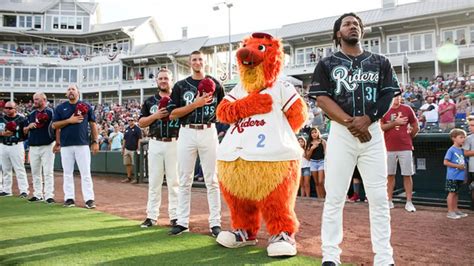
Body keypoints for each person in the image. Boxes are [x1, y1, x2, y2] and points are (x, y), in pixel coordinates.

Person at [310, 13, 399, 265]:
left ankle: (384, 258)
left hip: (372, 132)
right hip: (341, 133)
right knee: (335, 196)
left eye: (356, 24)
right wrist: (352, 122)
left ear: (362, 31)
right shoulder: (326, 64)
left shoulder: (380, 62)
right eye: (347, 24)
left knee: (379, 198)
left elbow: (388, 94)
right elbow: (322, 100)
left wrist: (367, 118)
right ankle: (330, 256)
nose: (353, 26)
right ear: (338, 32)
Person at [167, 50, 224, 237]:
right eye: (194, 59)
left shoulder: (216, 84)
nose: (197, 62)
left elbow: (223, 110)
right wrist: (195, 105)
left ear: (205, 62)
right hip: (187, 131)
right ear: (189, 62)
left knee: (212, 180)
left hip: (209, 130)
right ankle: (182, 222)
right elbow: (172, 113)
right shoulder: (180, 86)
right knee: (184, 179)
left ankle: (215, 223)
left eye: (200, 59)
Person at [138, 68, 180, 228]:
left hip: (174, 141)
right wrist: (155, 116)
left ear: (171, 80)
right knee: (154, 181)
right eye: (160, 78)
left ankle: (175, 216)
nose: (163, 81)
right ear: (156, 81)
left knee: (174, 182)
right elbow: (141, 122)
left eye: (166, 78)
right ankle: (151, 216)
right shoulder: (150, 101)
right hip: (155, 141)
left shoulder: (177, 100)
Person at [52, 84, 99, 209]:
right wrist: (69, 121)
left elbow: (93, 124)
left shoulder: (86, 106)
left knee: (86, 173)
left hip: (82, 144)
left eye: (73, 89)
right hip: (66, 145)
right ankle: (69, 198)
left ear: (78, 92)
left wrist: (95, 141)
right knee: (67, 173)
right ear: (66, 94)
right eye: (68, 89)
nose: (71, 91)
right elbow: (54, 125)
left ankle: (89, 199)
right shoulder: (61, 108)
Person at [381, 95, 419, 212]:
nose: (397, 99)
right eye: (394, 97)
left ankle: (409, 201)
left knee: (407, 174)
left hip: (405, 147)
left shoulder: (407, 109)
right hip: (388, 147)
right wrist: (395, 123)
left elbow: (415, 125)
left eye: (398, 97)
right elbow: (381, 127)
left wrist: (409, 137)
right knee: (389, 175)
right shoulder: (384, 109)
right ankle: (389, 200)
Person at [23, 92, 56, 203]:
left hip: (47, 145)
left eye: (37, 99)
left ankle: (49, 195)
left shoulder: (51, 112)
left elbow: (56, 128)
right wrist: (29, 126)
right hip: (34, 146)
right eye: (34, 99)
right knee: (35, 172)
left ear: (44, 99)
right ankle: (37, 194)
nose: (35, 101)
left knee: (48, 171)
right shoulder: (32, 114)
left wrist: (57, 142)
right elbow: (24, 130)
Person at [0, 101, 29, 198]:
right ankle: (6, 190)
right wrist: (3, 134)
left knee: (19, 168)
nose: (7, 110)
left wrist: (17, 134)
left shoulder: (21, 119)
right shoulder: (1, 119)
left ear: (15, 108)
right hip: (3, 145)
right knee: (5, 169)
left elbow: (25, 135)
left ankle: (24, 190)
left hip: (16, 145)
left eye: (10, 108)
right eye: (6, 108)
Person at [443, 128, 469, 219]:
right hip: (452, 176)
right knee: (452, 193)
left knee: (456, 193)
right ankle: (450, 211)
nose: (463, 139)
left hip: (460, 176)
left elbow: (465, 164)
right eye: (461, 137)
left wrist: (465, 176)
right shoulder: (451, 150)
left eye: (464, 137)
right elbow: (445, 162)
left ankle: (455, 209)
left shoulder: (463, 150)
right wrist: (457, 166)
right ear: (454, 138)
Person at [305, 127, 326, 198]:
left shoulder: (323, 141)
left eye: (315, 132)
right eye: (312, 133)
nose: (314, 134)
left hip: (322, 162)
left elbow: (326, 153)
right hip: (313, 163)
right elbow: (307, 157)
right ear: (310, 134)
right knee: (316, 183)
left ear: (318, 133)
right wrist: (312, 149)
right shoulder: (309, 143)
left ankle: (323, 197)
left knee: (321, 182)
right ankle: (319, 198)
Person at [121, 117, 142, 183]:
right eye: (129, 120)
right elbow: (124, 139)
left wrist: (138, 148)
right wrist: (123, 148)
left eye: (131, 120)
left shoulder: (137, 129)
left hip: (134, 149)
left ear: (134, 121)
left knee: (135, 164)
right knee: (127, 164)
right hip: (127, 149)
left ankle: (136, 178)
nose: (130, 121)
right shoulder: (127, 129)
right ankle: (129, 177)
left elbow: (139, 139)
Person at [463, 116, 474, 211]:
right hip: (472, 168)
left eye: (473, 125)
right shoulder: (468, 138)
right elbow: (466, 153)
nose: (471, 127)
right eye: (470, 125)